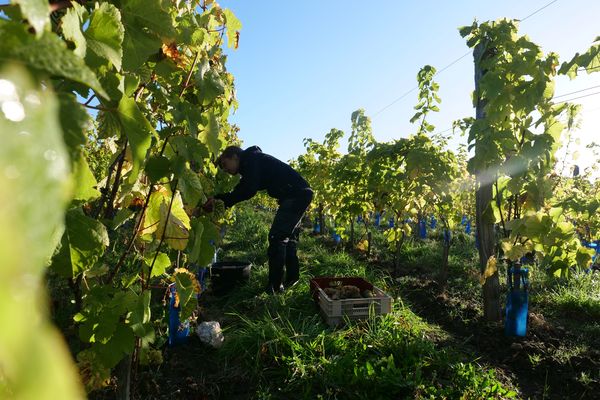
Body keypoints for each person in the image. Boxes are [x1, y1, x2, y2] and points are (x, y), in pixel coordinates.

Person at [203, 145, 313, 294]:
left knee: (277, 237)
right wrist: (220, 199)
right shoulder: (251, 162)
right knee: (288, 239)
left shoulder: (251, 160)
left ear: (235, 156)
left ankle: (274, 288)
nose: (225, 170)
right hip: (300, 194)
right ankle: (292, 281)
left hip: (296, 195)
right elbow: (242, 188)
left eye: (224, 164)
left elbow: (249, 189)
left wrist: (221, 200)